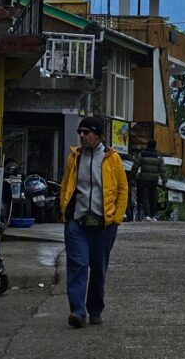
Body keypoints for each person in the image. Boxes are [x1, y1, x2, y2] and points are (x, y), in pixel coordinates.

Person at [60, 115, 128, 328]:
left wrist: (116, 219)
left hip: (104, 225)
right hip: (77, 223)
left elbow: (122, 189)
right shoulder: (74, 158)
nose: (81, 136)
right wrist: (65, 213)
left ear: (97, 135)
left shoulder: (112, 158)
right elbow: (66, 186)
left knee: (98, 269)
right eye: (79, 132)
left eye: (86, 132)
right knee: (78, 265)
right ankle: (77, 312)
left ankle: (95, 310)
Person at [130, 139, 167, 220]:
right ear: (155, 146)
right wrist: (164, 181)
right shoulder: (159, 156)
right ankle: (153, 215)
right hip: (154, 180)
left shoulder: (142, 154)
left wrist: (132, 177)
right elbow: (162, 170)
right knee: (153, 197)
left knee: (145, 197)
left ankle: (147, 215)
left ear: (147, 145)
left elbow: (135, 167)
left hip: (144, 180)